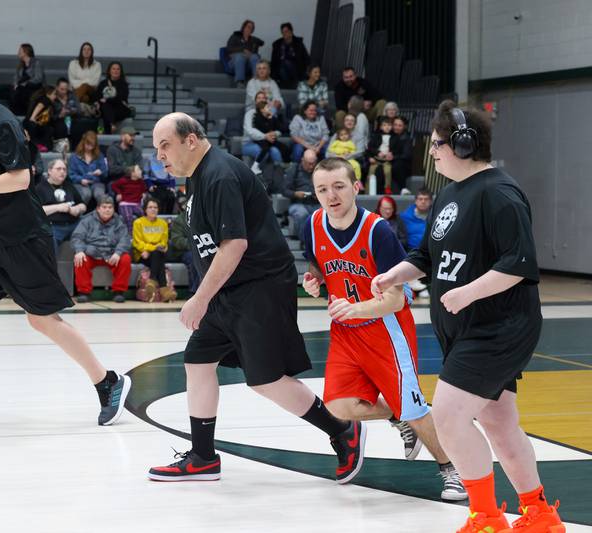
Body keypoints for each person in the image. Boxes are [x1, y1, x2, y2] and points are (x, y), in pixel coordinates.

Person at [372, 102, 565, 532]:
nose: (434, 154)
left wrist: (467, 293)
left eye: (438, 144)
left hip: (499, 327)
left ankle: (486, 516)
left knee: (449, 415)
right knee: (498, 421)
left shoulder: (499, 193)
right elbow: (428, 255)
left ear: (463, 144)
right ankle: (539, 514)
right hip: (467, 329)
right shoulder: (449, 193)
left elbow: (519, 262)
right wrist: (394, 274)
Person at [147, 113, 361, 483]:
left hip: (257, 288)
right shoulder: (197, 180)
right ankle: (202, 457)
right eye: (157, 149)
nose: (160, 156)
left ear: (191, 140)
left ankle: (342, 430)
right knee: (197, 360)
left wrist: (199, 298)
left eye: (165, 145)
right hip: (230, 289)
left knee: (266, 380)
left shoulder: (220, 174)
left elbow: (234, 245)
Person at [0, 50, 131, 429]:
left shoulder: (1, 122)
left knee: (42, 321)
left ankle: (109, 382)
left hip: (21, 238)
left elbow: (19, 178)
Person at [301, 157, 465, 498]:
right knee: (337, 407)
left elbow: (397, 300)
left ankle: (452, 469)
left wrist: (356, 308)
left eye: (339, 186)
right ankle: (398, 415)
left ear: (356, 187)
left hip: (386, 330)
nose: (331, 195)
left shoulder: (378, 231)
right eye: (322, 189)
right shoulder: (312, 225)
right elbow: (320, 268)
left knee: (415, 408)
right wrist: (314, 282)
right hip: (346, 332)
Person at [71, 196, 132, 303]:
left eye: (110, 207)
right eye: (104, 207)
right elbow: (77, 237)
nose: (107, 210)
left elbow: (125, 239)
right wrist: (79, 250)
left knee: (125, 258)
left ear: (113, 209)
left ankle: (119, 292)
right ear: (98, 209)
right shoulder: (87, 220)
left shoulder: (119, 221)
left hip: (111, 254)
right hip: (92, 253)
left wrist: (118, 253)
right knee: (80, 258)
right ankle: (84, 292)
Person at [132, 197, 176, 302]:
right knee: (158, 255)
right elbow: (137, 242)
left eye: (155, 207)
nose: (153, 209)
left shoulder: (163, 223)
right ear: (145, 209)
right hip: (142, 254)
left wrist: (152, 249)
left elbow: (163, 242)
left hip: (156, 253)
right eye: (150, 207)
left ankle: (152, 281)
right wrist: (150, 249)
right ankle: (164, 290)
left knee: (157, 254)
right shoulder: (138, 222)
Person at [35, 158, 86, 248]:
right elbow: (36, 210)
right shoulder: (40, 188)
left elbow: (83, 205)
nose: (62, 172)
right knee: (47, 236)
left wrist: (77, 209)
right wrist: (58, 207)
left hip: (74, 224)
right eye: (59, 169)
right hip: (53, 226)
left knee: (91, 221)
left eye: (64, 169)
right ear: (50, 171)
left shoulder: (68, 185)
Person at [242, 91, 285, 171]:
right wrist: (265, 136)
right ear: (255, 101)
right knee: (262, 151)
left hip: (267, 143)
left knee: (276, 151)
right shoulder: (250, 114)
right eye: (259, 98)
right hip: (249, 143)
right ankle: (255, 174)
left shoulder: (269, 113)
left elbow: (279, 129)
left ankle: (279, 175)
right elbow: (250, 131)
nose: (261, 100)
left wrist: (275, 133)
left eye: (264, 98)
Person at [283, 148, 319, 240]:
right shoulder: (294, 170)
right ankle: (306, 242)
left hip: (316, 203)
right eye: (309, 164)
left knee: (327, 213)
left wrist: (320, 194)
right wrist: (295, 194)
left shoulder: (320, 171)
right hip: (298, 203)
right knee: (302, 214)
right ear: (302, 160)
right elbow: (284, 190)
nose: (311, 166)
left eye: (313, 163)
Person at [68, 130, 108, 205]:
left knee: (99, 194)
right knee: (86, 194)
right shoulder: (74, 156)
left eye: (92, 145)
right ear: (83, 143)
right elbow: (71, 174)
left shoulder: (99, 155)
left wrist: (101, 172)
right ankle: (79, 214)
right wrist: (81, 180)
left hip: (96, 182)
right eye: (88, 144)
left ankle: (102, 214)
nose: (90, 148)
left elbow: (105, 173)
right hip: (80, 183)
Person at [167, 209, 199, 294]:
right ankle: (194, 292)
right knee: (194, 258)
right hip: (184, 251)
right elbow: (177, 241)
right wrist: (196, 245)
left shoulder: (204, 217)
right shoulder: (180, 220)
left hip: (202, 249)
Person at [226, 19, 263, 88]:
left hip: (247, 63)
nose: (249, 29)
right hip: (234, 62)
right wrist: (243, 50)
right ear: (243, 27)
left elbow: (260, 45)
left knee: (255, 57)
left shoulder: (252, 40)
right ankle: (240, 82)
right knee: (240, 56)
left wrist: (251, 54)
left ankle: (257, 82)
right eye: (248, 27)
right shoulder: (235, 36)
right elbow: (228, 49)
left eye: (251, 28)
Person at [270, 22, 309, 87]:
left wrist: (308, 69)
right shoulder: (277, 44)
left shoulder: (298, 43)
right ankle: (290, 85)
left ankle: (292, 84)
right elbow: (274, 61)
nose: (284, 34)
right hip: (281, 70)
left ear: (291, 31)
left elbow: (306, 57)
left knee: (286, 62)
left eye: (286, 31)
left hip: (296, 69)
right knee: (282, 66)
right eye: (282, 32)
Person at [96, 61, 130, 134]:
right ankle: (111, 125)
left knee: (106, 107)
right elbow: (98, 97)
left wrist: (107, 100)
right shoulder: (103, 83)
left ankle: (110, 126)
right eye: (113, 69)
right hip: (106, 109)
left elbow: (121, 98)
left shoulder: (123, 84)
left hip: (120, 109)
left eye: (118, 69)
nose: (116, 71)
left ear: (121, 71)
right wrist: (103, 101)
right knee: (105, 107)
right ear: (109, 71)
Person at [111, 164, 147, 232]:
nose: (141, 171)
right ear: (132, 173)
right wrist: (119, 193)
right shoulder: (123, 180)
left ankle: (143, 233)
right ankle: (129, 234)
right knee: (128, 217)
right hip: (125, 203)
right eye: (138, 170)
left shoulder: (141, 182)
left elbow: (144, 189)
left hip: (136, 204)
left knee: (143, 215)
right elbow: (113, 185)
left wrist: (143, 193)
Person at [11, 43, 44, 115]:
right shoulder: (20, 64)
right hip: (21, 87)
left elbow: (38, 78)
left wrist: (24, 84)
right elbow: (16, 76)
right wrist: (15, 84)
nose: (18, 52)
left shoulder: (36, 62)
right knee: (5, 90)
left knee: (20, 93)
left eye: (20, 50)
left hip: (33, 86)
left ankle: (22, 114)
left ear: (26, 52)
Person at [367, 116, 394, 193]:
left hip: (386, 160)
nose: (387, 127)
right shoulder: (376, 136)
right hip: (376, 159)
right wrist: (377, 152)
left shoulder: (394, 137)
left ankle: (387, 188)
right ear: (381, 127)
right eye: (384, 125)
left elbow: (396, 148)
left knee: (388, 171)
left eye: (389, 125)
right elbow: (370, 147)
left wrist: (392, 154)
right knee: (371, 171)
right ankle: (368, 189)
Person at [52, 77, 80, 147]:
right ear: (57, 88)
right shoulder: (53, 98)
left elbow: (79, 109)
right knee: (60, 127)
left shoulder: (72, 96)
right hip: (59, 121)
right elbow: (51, 116)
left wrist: (71, 111)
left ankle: (75, 149)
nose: (64, 91)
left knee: (78, 128)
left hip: (72, 119)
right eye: (62, 89)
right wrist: (60, 115)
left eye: (66, 89)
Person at [390, 116, 413, 193]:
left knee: (398, 165)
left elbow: (406, 155)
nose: (396, 127)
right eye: (395, 125)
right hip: (389, 161)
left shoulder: (407, 138)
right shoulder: (389, 135)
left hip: (403, 164)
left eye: (400, 125)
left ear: (404, 127)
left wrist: (393, 157)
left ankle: (403, 188)